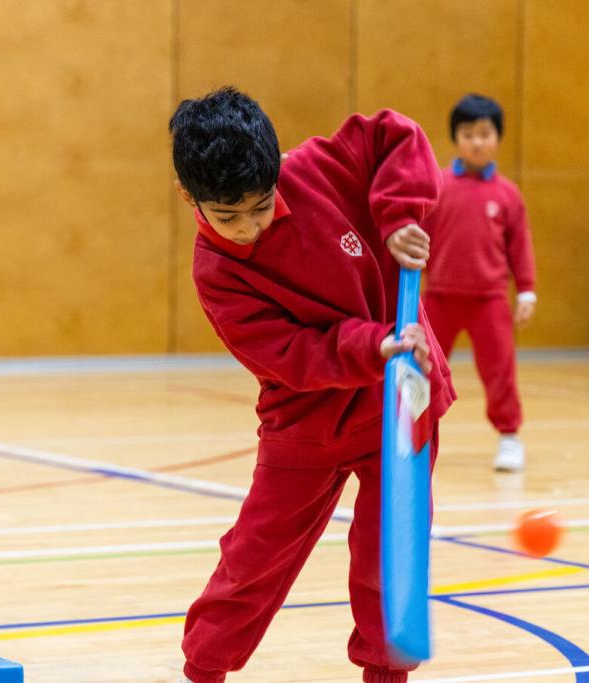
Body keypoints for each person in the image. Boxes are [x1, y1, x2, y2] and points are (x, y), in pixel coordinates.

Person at [169, 87, 455, 683]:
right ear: (188, 197)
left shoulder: (319, 169)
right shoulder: (216, 273)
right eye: (228, 215)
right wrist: (370, 345)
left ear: (278, 173)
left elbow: (393, 133)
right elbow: (291, 355)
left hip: (399, 405)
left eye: (261, 206)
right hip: (307, 420)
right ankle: (205, 668)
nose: (249, 227)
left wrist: (400, 217)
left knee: (391, 557)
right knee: (254, 557)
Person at [423, 93, 536, 472]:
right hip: (438, 298)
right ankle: (415, 433)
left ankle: (509, 436)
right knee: (423, 369)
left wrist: (526, 291)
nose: (476, 141)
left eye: (485, 134)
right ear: (456, 138)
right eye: (468, 133)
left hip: (489, 300)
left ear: (497, 138)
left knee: (500, 371)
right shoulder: (436, 186)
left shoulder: (508, 195)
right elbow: (416, 239)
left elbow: (520, 248)